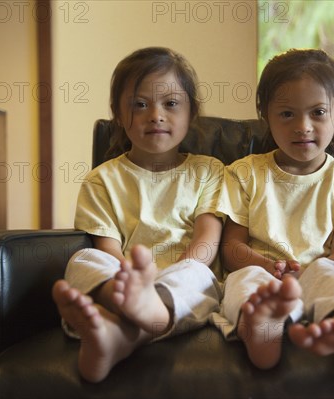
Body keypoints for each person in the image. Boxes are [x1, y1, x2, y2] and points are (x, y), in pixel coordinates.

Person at [212, 48, 334, 375]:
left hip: (321, 272)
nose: (303, 126)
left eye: (317, 112)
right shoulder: (243, 173)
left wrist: (303, 276)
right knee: (244, 280)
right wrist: (268, 267)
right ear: (266, 116)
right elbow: (231, 250)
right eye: (287, 114)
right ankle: (262, 330)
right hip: (265, 277)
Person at [52, 47, 223, 383]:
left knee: (198, 274)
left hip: (186, 280)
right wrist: (131, 282)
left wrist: (161, 281)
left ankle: (118, 328)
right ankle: (125, 312)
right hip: (127, 280)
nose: (155, 115)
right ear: (118, 113)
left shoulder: (209, 171)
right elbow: (108, 250)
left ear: (191, 113)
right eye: (139, 104)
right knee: (83, 259)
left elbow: (207, 241)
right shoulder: (102, 180)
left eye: (171, 104)